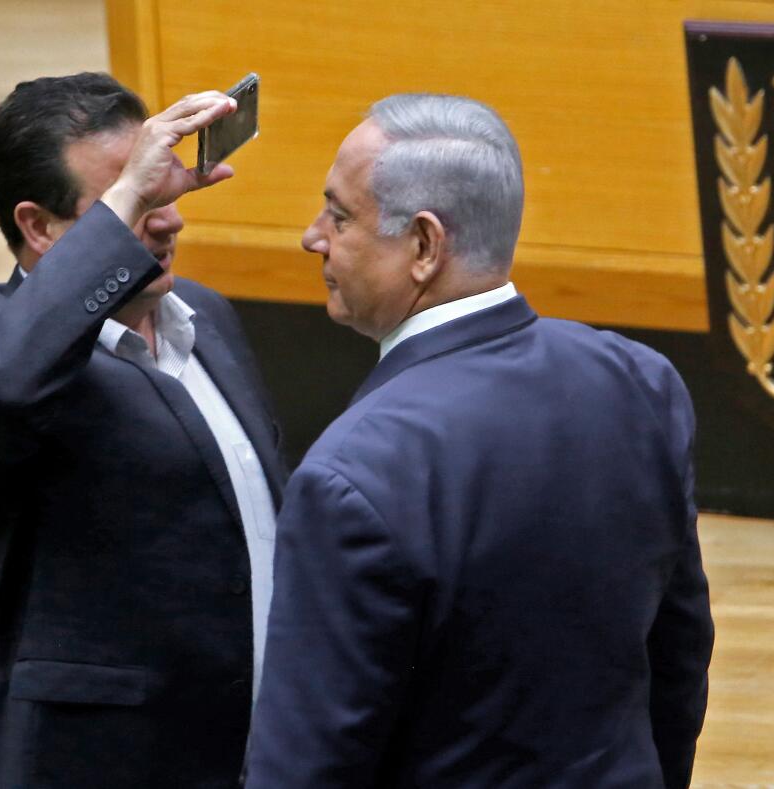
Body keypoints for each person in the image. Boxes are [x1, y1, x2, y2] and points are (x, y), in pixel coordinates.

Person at [245, 93, 714, 788]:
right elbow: (678, 656)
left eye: (340, 216)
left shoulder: (354, 475)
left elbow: (309, 763)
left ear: (425, 246)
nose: (314, 236)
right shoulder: (641, 382)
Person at [0, 73, 287, 788]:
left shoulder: (209, 319)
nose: (169, 220)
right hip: (102, 763)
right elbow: (1, 398)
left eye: (163, 195)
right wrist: (125, 214)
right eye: (135, 202)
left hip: (255, 752)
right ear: (39, 227)